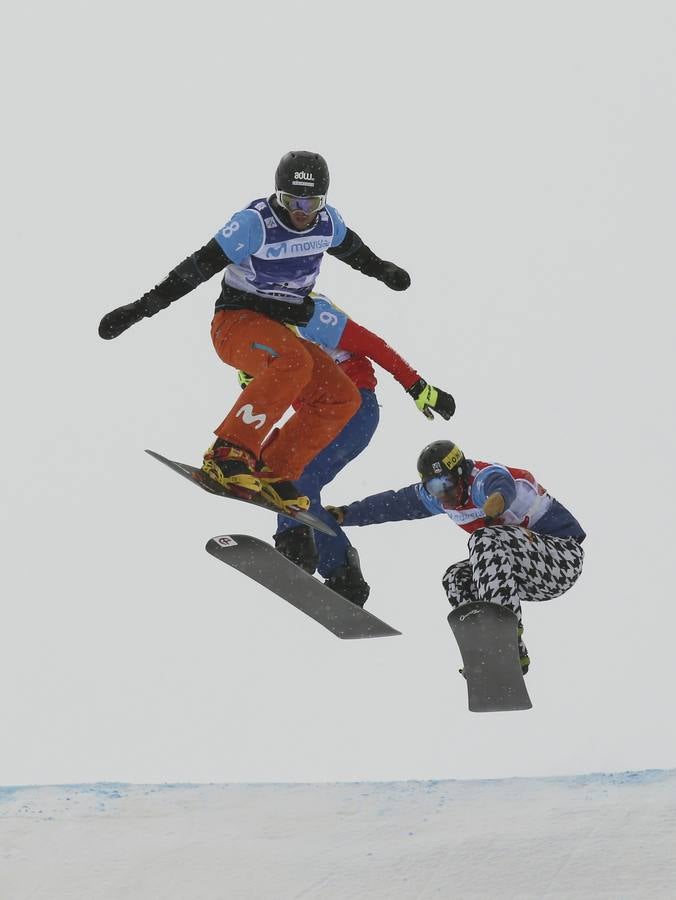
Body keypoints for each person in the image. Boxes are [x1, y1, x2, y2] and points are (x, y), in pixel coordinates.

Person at [98, 151, 410, 513]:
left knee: (341, 396)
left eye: (311, 203)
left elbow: (356, 252)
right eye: (291, 201)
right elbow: (195, 268)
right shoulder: (254, 224)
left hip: (280, 330)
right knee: (293, 361)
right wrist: (140, 308)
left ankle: (273, 470)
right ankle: (228, 452)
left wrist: (383, 270)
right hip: (236, 322)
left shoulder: (327, 223)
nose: (300, 211)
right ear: (277, 194)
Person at [238, 292, 456, 605]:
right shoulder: (265, 339)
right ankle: (341, 572)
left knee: (296, 479)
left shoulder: (308, 313)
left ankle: (299, 544)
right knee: (275, 473)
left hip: (353, 406)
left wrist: (417, 385)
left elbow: (373, 345)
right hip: (316, 415)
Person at [327, 440, 586, 671]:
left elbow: (502, 481)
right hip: (525, 572)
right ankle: (499, 653)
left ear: (461, 475)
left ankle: (503, 633)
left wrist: (497, 500)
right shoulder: (439, 498)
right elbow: (393, 504)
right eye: (433, 487)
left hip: (561, 557)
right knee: (456, 578)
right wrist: (346, 514)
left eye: (446, 484)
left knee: (483, 539)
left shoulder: (482, 480)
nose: (443, 494)